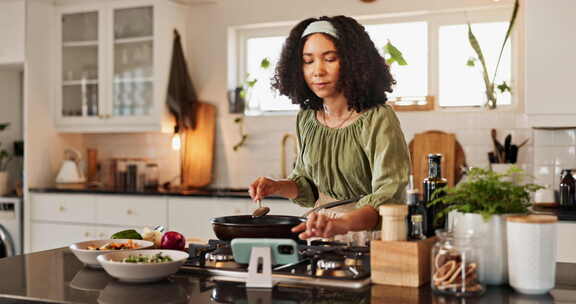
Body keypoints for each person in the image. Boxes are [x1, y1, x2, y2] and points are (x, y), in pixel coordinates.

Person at [249, 15, 411, 244]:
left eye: (330, 59)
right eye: (308, 61)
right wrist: (276, 186)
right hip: (319, 235)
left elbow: (388, 198)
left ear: (353, 62)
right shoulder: (307, 120)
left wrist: (342, 224)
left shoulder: (379, 119)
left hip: (367, 238)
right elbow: (306, 186)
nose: (318, 71)